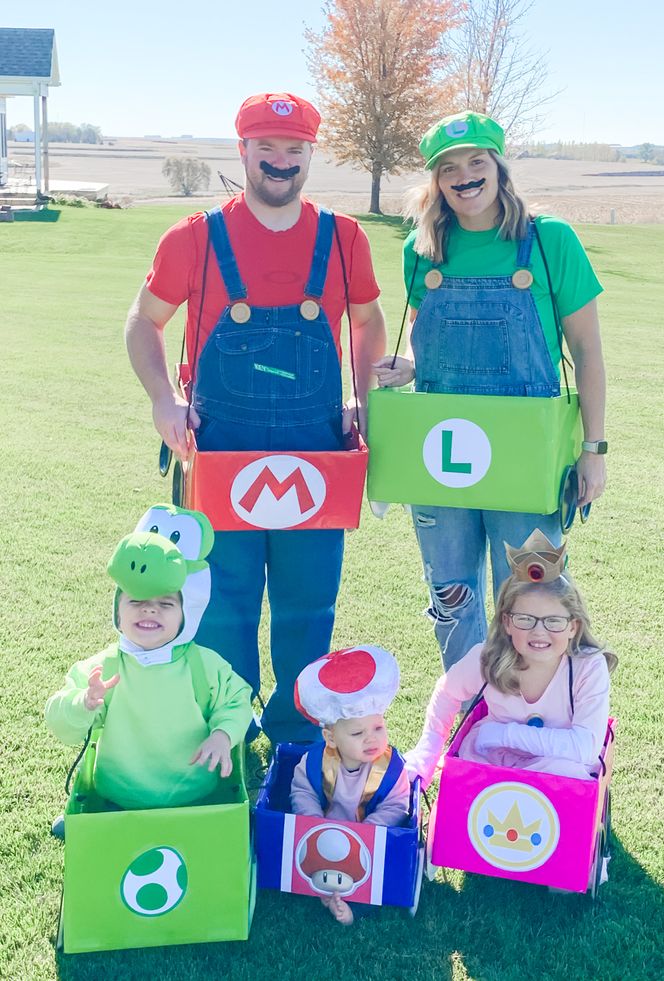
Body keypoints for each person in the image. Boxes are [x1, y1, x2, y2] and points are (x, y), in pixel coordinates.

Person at [125, 93, 386, 743]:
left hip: (314, 449)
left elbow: (370, 321)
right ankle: (229, 729)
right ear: (242, 150)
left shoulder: (345, 239)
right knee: (225, 607)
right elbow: (143, 323)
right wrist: (163, 398)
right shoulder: (194, 238)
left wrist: (365, 401)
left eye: (294, 149)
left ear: (308, 155)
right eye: (266, 147)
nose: (280, 161)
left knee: (307, 605)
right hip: (220, 448)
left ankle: (297, 733)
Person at [373, 110, 607, 672]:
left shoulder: (551, 241)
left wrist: (593, 450)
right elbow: (423, 338)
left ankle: (534, 711)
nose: (464, 175)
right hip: (438, 454)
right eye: (449, 167)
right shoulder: (421, 248)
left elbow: (588, 352)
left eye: (477, 161)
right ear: (435, 180)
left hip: (524, 457)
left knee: (533, 595)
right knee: (451, 595)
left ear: (499, 167)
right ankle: (469, 712)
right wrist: (406, 365)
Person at [45, 505, 252, 810]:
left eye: (166, 603)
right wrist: (83, 703)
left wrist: (222, 734)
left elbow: (237, 700)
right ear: (118, 608)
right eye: (136, 600)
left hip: (194, 796)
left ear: (187, 613)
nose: (149, 610)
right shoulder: (105, 667)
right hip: (119, 797)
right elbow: (58, 720)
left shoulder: (203, 665)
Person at [404, 529, 617, 787]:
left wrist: (504, 733)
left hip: (554, 764)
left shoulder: (587, 667)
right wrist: (427, 754)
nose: (539, 631)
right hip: (493, 758)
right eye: (525, 619)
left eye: (554, 621)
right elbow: (447, 692)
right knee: (464, 777)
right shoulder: (488, 657)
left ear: (573, 626)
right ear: (506, 622)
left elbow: (585, 747)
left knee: (566, 774)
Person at [290, 645, 410, 924]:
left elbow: (397, 805)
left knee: (374, 879)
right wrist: (314, 823)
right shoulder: (315, 761)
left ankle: (350, 906)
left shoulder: (391, 768)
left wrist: (367, 833)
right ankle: (324, 893)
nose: (371, 739)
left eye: (378, 728)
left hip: (369, 843)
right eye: (358, 733)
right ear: (331, 738)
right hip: (322, 838)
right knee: (310, 868)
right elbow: (302, 790)